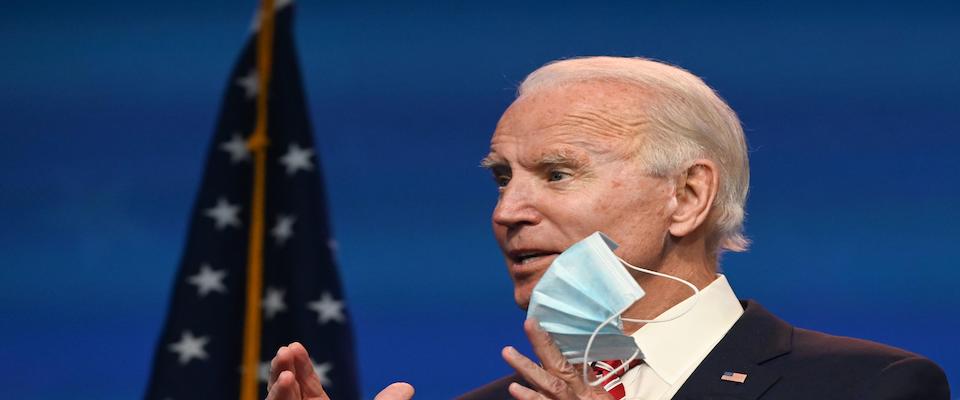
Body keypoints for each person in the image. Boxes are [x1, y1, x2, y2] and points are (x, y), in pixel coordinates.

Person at [264, 57, 950, 400]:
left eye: (557, 174)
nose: (508, 213)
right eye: (503, 177)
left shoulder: (869, 386)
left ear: (687, 196)